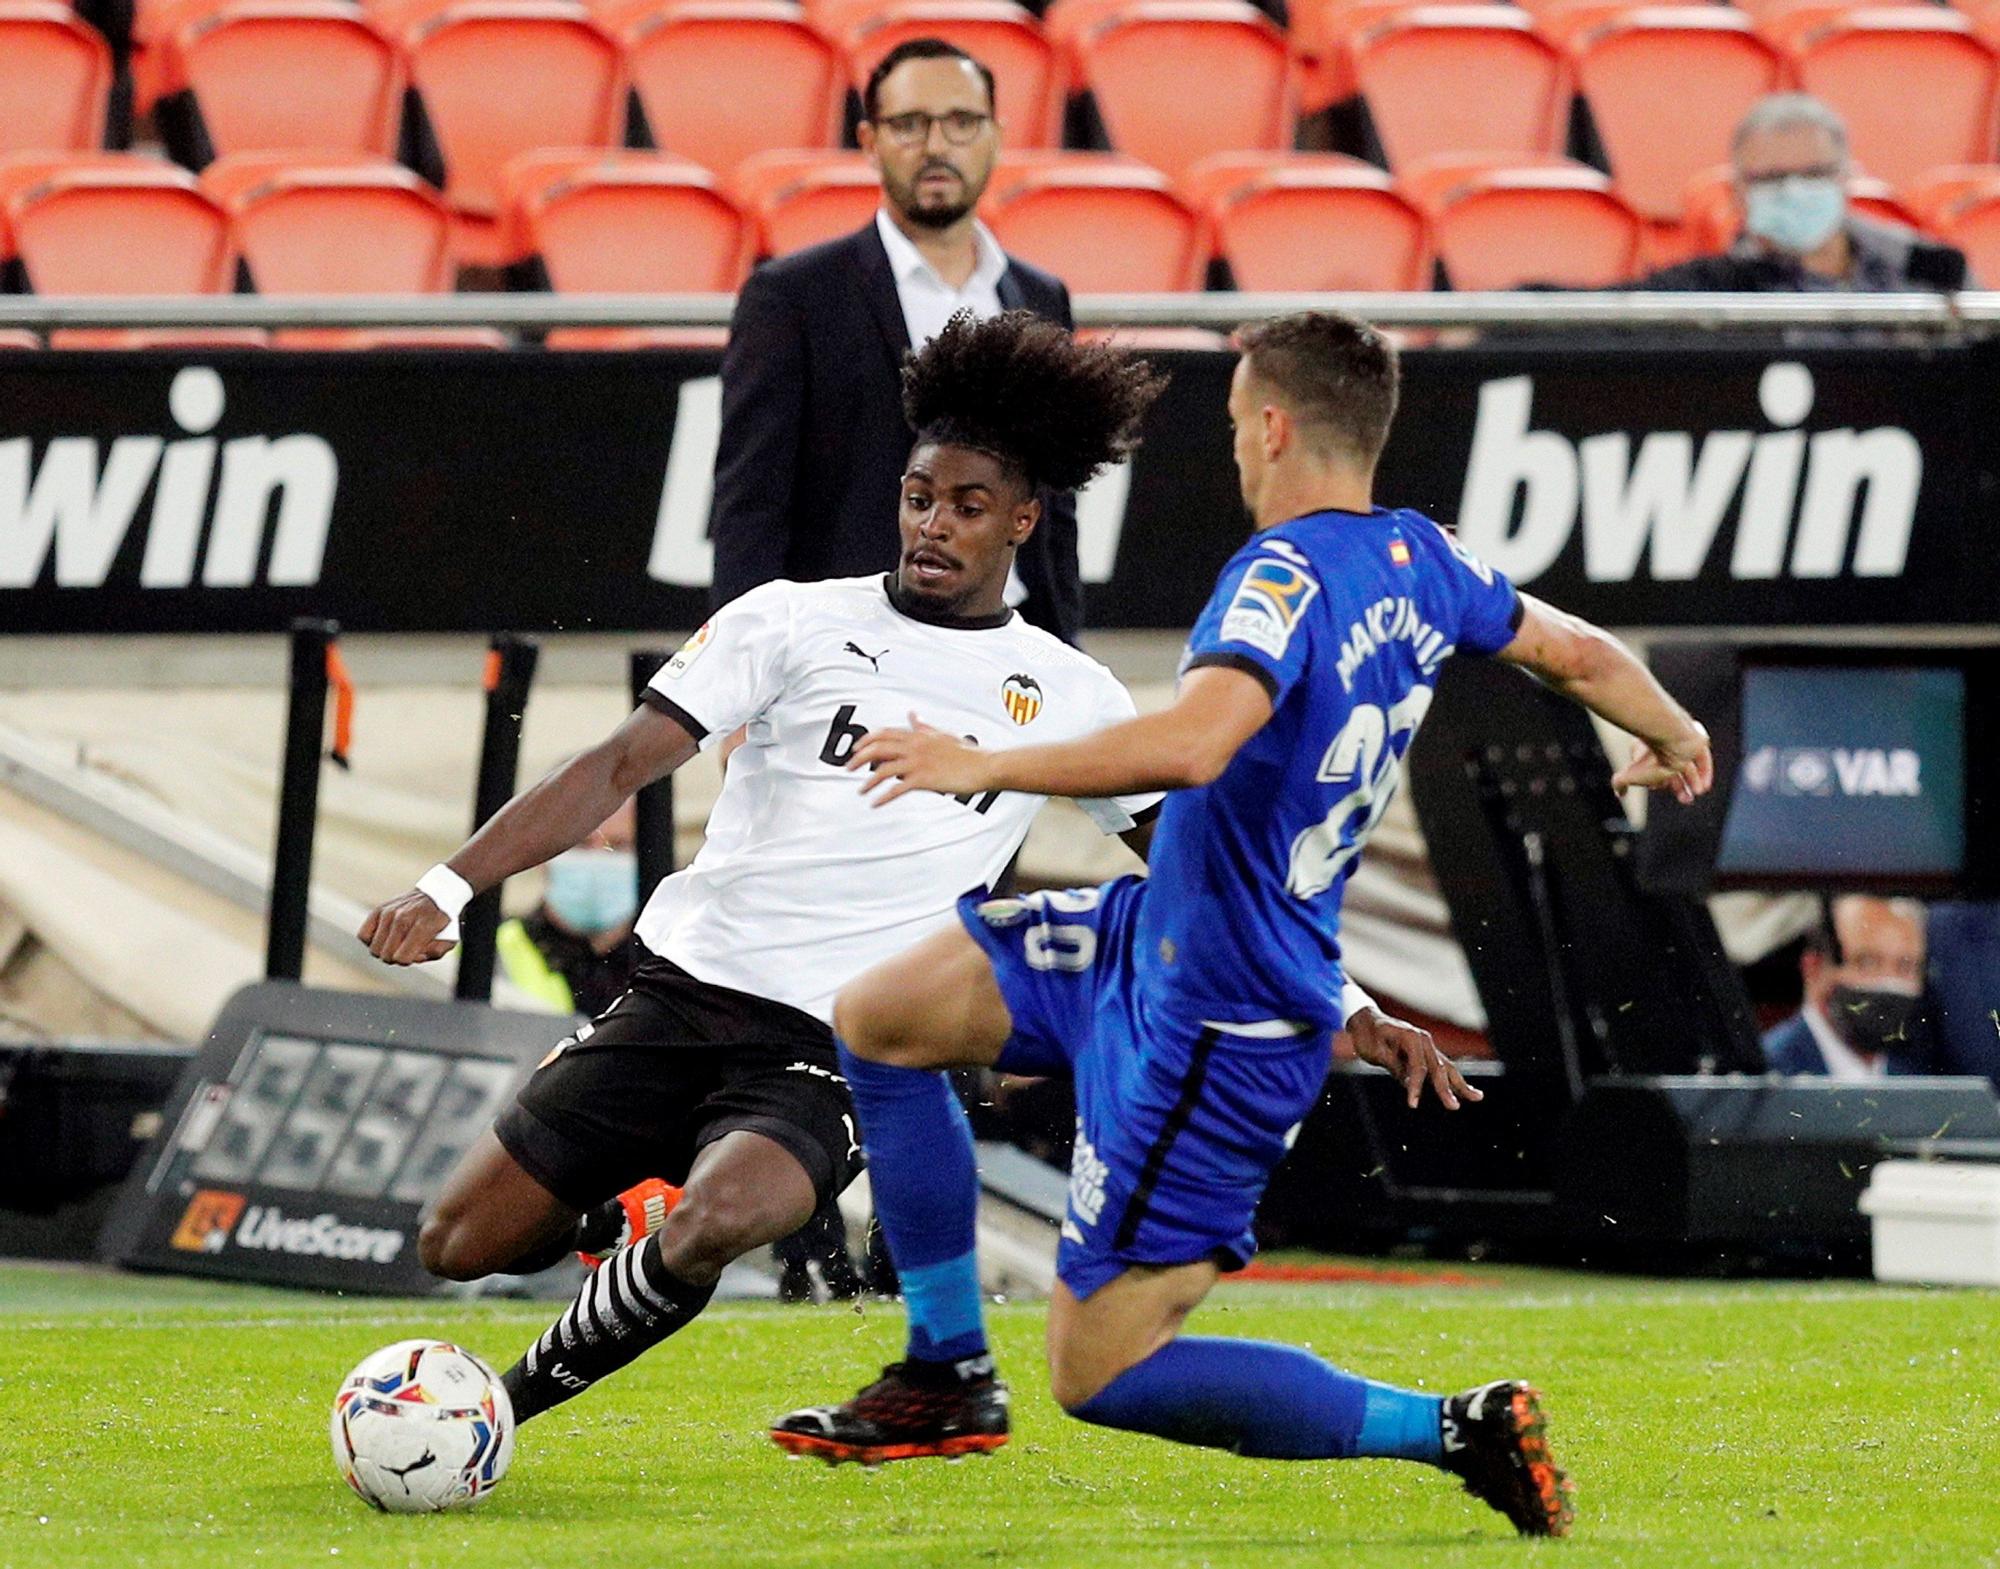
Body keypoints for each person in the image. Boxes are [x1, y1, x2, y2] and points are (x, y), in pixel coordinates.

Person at [773, 311, 1717, 1539]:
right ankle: (945, 1369)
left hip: (1217, 1018)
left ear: (1270, 425)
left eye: (1229, 424)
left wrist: (978, 760)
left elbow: (1192, 742)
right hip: (1147, 931)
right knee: (881, 1016)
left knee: (1095, 1374)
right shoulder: (1425, 559)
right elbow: (1577, 653)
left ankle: (1452, 1427)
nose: (1231, 449)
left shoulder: (1277, 575)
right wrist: (1673, 731)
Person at [357, 312, 1166, 1428]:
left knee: (720, 1217)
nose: (933, 525)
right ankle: (616, 1210)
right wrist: (443, 886)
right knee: (457, 1245)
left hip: (840, 1039)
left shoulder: (1071, 693)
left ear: (1023, 520)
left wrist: (1338, 992)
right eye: (918, 496)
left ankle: (494, 1412)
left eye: (968, 506)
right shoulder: (788, 621)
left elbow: (1184, 856)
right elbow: (615, 763)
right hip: (681, 993)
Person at [709, 38, 1085, 643]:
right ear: (869, 142)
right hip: (847, 652)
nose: (937, 146)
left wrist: (1066, 650)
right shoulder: (793, 296)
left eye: (962, 122)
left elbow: (1055, 514)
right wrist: (738, 674)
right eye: (909, 124)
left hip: (1011, 653)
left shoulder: (1041, 298)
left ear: (997, 134)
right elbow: (749, 510)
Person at [1632, 93, 1968, 293]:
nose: (1794, 191)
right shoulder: (1710, 288)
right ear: (1737, 193)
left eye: (1814, 174)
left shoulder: (1929, 267)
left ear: (1846, 179)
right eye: (1772, 178)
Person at [496, 800, 640, 1017]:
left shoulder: (675, 960)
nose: (597, 860)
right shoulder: (490, 952)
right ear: (541, 853)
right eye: (581, 844)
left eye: (617, 846)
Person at [1763, 896, 1931, 1079]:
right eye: (1867, 963)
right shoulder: (1768, 1073)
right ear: (1814, 968)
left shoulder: (1913, 1076)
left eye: (1905, 966)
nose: (1889, 980)